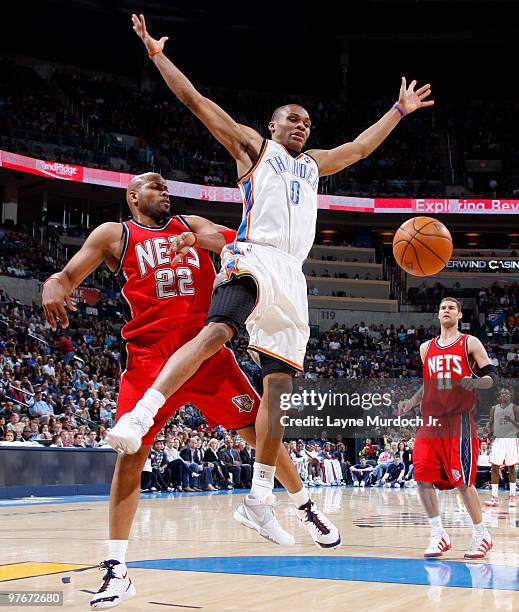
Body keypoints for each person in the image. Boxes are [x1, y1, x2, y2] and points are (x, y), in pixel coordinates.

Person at [109, 11, 433, 531]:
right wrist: (157, 55)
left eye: (308, 121)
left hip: (293, 277)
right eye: (293, 119)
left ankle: (259, 498)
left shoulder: (314, 164)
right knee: (217, 329)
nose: (302, 125)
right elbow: (197, 104)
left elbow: (359, 148)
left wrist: (398, 110)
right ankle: (145, 409)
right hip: (253, 255)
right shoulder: (254, 150)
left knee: (277, 391)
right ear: (272, 126)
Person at [42, 173, 339, 610]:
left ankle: (305, 505)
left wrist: (206, 242)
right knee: (131, 456)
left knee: (261, 436)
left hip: (206, 354)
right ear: (133, 196)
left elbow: (236, 246)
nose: (164, 191)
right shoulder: (115, 234)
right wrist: (55, 284)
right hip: (150, 356)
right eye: (154, 186)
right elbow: (68, 274)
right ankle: (116, 569)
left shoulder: (191, 224)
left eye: (166, 187)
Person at [399, 297, 497, 559]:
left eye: (451, 308)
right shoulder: (425, 348)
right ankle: (438, 533)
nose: (446, 311)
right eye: (442, 307)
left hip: (458, 420)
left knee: (463, 481)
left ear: (460, 315)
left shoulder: (469, 343)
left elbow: (492, 377)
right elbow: (429, 383)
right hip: (430, 421)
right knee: (421, 477)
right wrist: (412, 401)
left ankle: (481, 534)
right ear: (437, 314)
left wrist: (476, 383)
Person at [484, 387, 519, 508]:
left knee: (511, 467)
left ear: (510, 396)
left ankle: (512, 496)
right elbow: (490, 422)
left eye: (507, 393)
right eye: (502, 393)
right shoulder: (494, 408)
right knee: (494, 467)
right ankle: (494, 497)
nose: (504, 395)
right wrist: (488, 428)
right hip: (498, 439)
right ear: (499, 397)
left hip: (511, 439)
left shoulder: (515, 408)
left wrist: (511, 421)